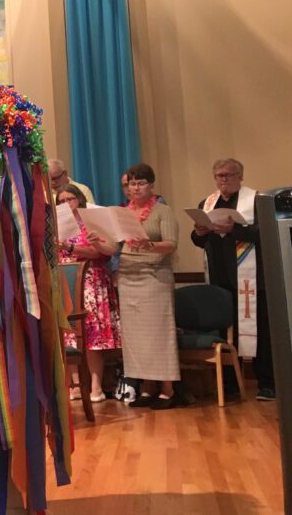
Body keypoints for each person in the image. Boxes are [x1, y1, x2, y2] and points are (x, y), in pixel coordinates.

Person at [191, 158, 274, 401]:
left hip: (252, 280)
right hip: (221, 278)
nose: (223, 180)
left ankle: (267, 384)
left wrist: (234, 231)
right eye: (219, 175)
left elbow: (264, 234)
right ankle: (230, 385)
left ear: (240, 176)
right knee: (226, 330)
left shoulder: (256, 201)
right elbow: (199, 242)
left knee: (260, 331)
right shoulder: (207, 204)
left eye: (228, 175)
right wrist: (199, 232)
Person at [116, 163, 181, 410]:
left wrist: (150, 245)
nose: (136, 187)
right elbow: (115, 245)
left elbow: (172, 244)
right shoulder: (124, 212)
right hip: (128, 277)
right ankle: (146, 387)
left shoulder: (163, 211)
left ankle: (167, 388)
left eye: (141, 183)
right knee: (135, 338)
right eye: (132, 183)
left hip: (154, 277)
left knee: (158, 333)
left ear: (151, 185)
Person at [57, 186, 121, 402]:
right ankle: (75, 385)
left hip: (91, 281)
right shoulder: (56, 226)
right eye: (61, 200)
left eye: (71, 198)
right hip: (65, 282)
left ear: (81, 199)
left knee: (93, 337)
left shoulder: (93, 222)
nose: (66, 203)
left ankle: (95, 386)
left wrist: (70, 247)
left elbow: (99, 252)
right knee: (70, 335)